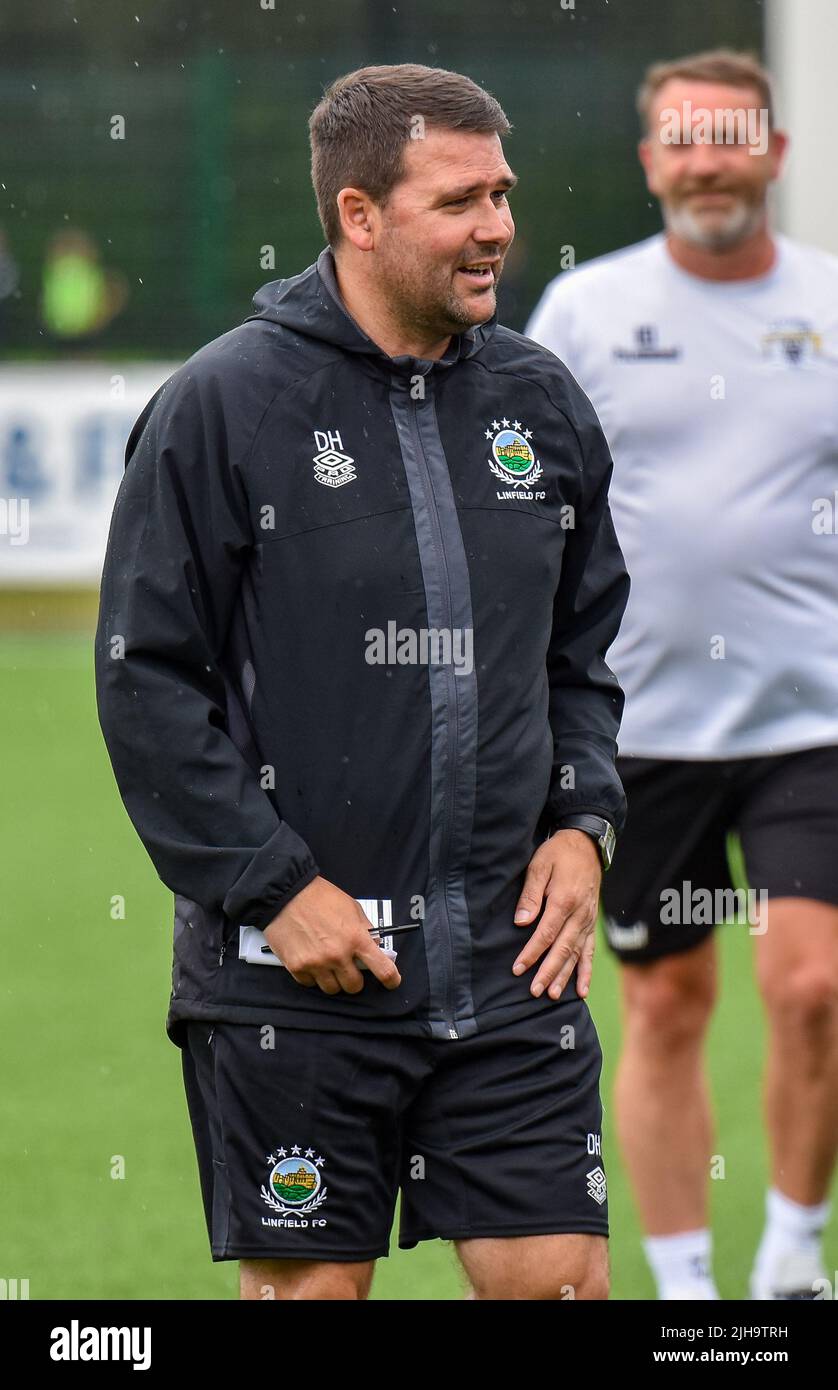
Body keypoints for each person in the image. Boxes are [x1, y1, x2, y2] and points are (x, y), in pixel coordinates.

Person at [94, 63, 630, 1301]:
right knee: (310, 1299)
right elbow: (148, 682)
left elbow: (582, 653)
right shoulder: (220, 405)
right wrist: (273, 889)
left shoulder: (538, 400)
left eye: (502, 193)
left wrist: (583, 820)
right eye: (459, 200)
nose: (497, 227)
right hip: (299, 979)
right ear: (357, 214)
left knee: (558, 1280)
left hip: (509, 964)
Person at [526, 48, 838, 1301]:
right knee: (663, 1006)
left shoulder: (829, 303)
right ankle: (689, 1288)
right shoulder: (584, 314)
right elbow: (522, 503)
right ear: (651, 160)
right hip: (637, 727)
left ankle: (790, 1257)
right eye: (682, 138)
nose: (707, 159)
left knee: (810, 981)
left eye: (730, 135)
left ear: (772, 150)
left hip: (811, 717)